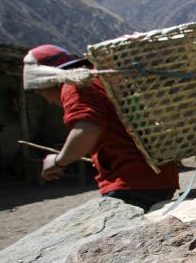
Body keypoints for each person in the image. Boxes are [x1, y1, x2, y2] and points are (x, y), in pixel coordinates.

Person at [23, 44, 179, 211]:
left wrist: (58, 161)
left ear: (49, 81)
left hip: (129, 182)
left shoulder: (74, 86)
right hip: (158, 177)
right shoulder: (100, 79)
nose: (47, 100)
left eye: (41, 92)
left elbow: (87, 130)